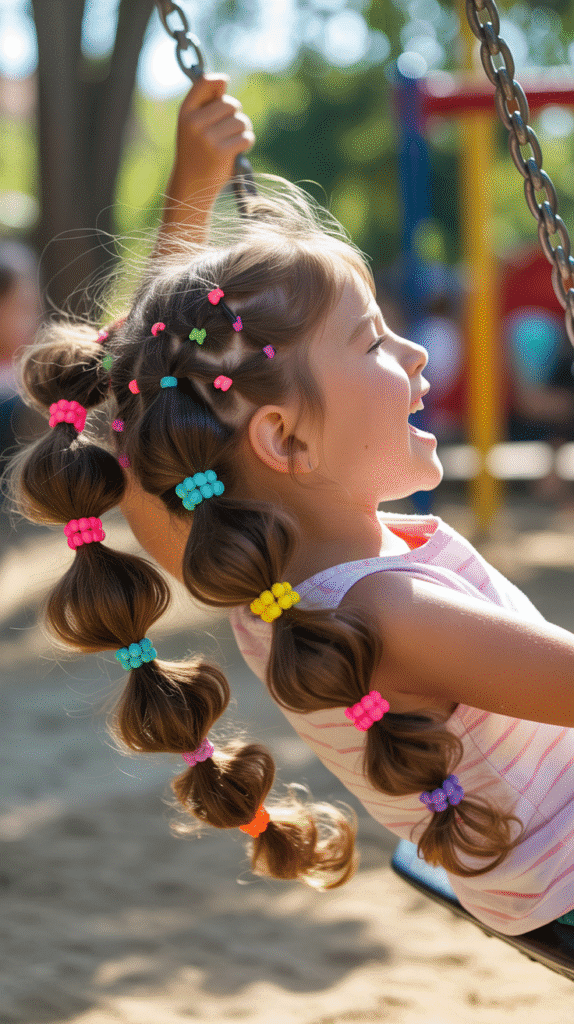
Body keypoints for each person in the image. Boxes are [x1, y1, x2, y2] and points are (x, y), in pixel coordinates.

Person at [5, 74, 574, 940]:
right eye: (375, 339)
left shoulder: (258, 584)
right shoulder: (393, 609)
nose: (419, 352)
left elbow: (148, 404)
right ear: (285, 441)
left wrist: (194, 185)